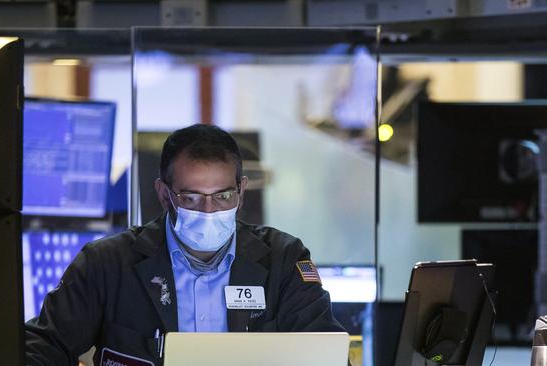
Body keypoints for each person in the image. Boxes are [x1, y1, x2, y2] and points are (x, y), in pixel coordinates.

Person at [25, 124, 345, 366]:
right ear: (164, 195)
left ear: (241, 192)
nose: (209, 211)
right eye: (191, 197)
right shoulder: (107, 264)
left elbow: (326, 354)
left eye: (223, 196)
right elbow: (40, 346)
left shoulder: (283, 261)